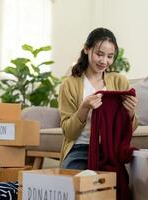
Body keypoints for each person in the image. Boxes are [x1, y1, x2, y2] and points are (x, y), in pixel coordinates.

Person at [58, 27, 138, 170]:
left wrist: (131, 113)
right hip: (81, 149)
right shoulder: (69, 84)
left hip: (110, 150)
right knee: (72, 183)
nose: (104, 61)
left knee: (117, 186)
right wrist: (84, 107)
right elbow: (69, 132)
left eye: (110, 56)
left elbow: (128, 131)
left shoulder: (120, 82)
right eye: (99, 54)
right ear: (87, 49)